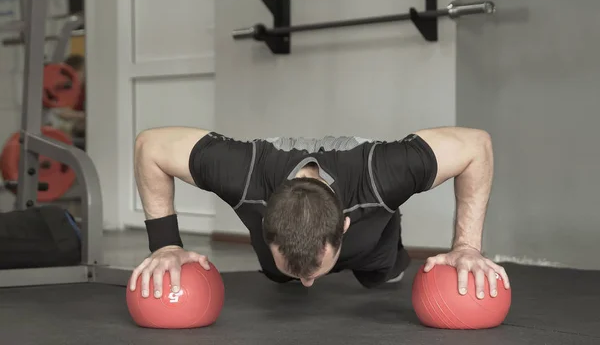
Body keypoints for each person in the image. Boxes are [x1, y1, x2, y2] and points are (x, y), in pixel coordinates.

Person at [129, 126, 511, 301]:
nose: (309, 284)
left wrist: (467, 247)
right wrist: (165, 246)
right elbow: (151, 146)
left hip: (370, 244)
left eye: (314, 273)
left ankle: (383, 254)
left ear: (344, 224)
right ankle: (282, 270)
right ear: (265, 224)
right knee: (281, 278)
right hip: (282, 245)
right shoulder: (244, 174)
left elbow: (477, 145)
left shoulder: (380, 173)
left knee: (382, 270)